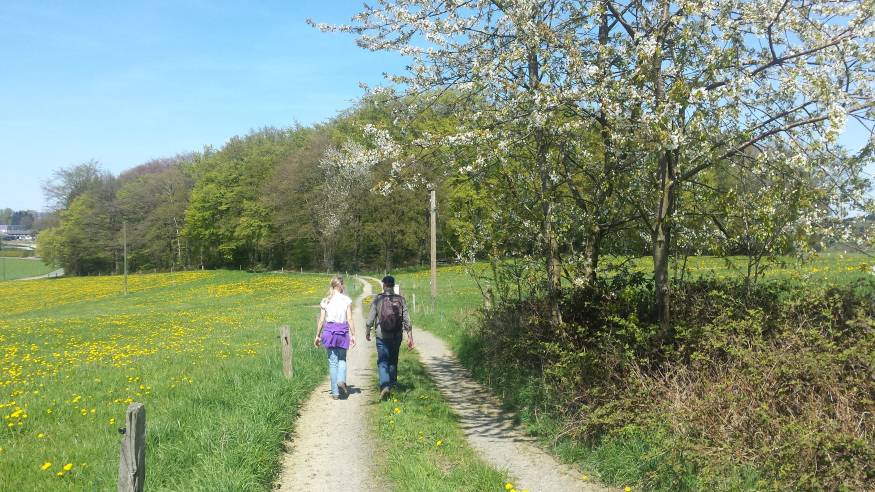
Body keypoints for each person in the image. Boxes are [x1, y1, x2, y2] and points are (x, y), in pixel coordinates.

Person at [365, 275, 413, 400]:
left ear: (384, 285)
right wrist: (410, 336)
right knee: (393, 360)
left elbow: (370, 318)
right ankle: (393, 385)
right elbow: (407, 319)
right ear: (393, 285)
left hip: (382, 335)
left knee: (382, 361)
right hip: (397, 335)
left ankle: (385, 386)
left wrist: (367, 331)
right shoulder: (401, 299)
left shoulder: (378, 299)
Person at [314, 276, 356, 399]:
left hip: (329, 332)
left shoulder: (325, 301)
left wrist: (317, 335)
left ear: (332, 286)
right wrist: (353, 334)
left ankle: (335, 393)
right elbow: (349, 319)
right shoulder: (346, 300)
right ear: (342, 286)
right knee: (342, 359)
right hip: (342, 332)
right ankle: (341, 379)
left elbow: (321, 320)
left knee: (333, 362)